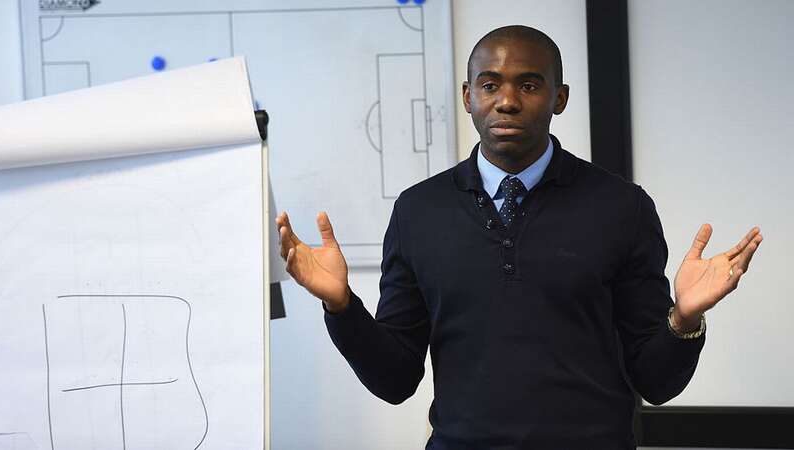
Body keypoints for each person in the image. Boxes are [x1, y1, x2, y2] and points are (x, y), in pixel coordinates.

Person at [275, 25, 762, 449]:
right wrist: (342, 308)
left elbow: (656, 382)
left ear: (560, 97)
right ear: (468, 96)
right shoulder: (418, 211)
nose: (507, 101)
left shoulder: (623, 207)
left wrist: (684, 318)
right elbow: (396, 378)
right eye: (490, 85)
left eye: (529, 85)